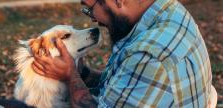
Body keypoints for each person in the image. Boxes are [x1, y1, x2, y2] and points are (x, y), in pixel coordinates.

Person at [32, 0, 216, 107]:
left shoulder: (150, 55)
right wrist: (83, 73)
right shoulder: (171, 11)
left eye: (90, 8)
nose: (93, 18)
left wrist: (70, 76)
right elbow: (126, 83)